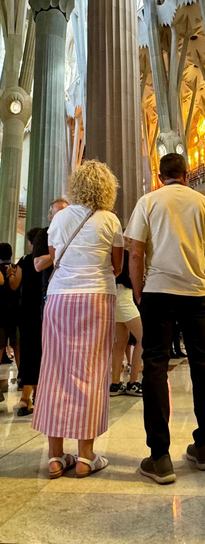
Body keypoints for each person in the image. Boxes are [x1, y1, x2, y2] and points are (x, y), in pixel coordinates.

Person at [126, 153, 205, 484]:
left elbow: (136, 251)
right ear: (187, 174)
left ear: (159, 176)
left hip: (157, 292)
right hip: (194, 295)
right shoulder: (203, 203)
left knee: (155, 365)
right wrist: (203, 283)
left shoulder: (148, 201)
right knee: (202, 363)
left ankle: (159, 456)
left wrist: (139, 292)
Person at [33, 161, 123, 479]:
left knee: (55, 372)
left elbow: (56, 255)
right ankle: (85, 458)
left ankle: (56, 457)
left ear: (76, 186)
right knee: (93, 373)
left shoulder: (59, 217)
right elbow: (118, 266)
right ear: (106, 188)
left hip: (59, 298)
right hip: (97, 297)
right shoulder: (110, 220)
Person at [14, 228, 43, 416]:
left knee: (27, 353)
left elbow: (15, 285)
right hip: (44, 310)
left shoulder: (25, 261)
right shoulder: (49, 261)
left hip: (26, 311)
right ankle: (39, 397)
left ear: (31, 243)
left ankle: (26, 398)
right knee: (41, 353)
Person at [110, 246, 144, 397]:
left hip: (114, 294)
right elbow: (132, 277)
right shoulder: (126, 254)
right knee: (143, 338)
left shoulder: (112, 253)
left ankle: (115, 383)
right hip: (124, 296)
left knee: (121, 341)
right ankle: (133, 382)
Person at [33, 198, 69, 298]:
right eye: (59, 214)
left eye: (65, 214)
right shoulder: (44, 234)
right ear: (51, 216)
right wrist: (62, 250)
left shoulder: (76, 234)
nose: (62, 217)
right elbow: (38, 265)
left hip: (72, 287)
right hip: (52, 289)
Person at [0, 242, 20, 396]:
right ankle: (21, 376)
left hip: (0, 312)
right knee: (17, 345)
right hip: (15, 311)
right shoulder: (17, 268)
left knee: (0, 346)